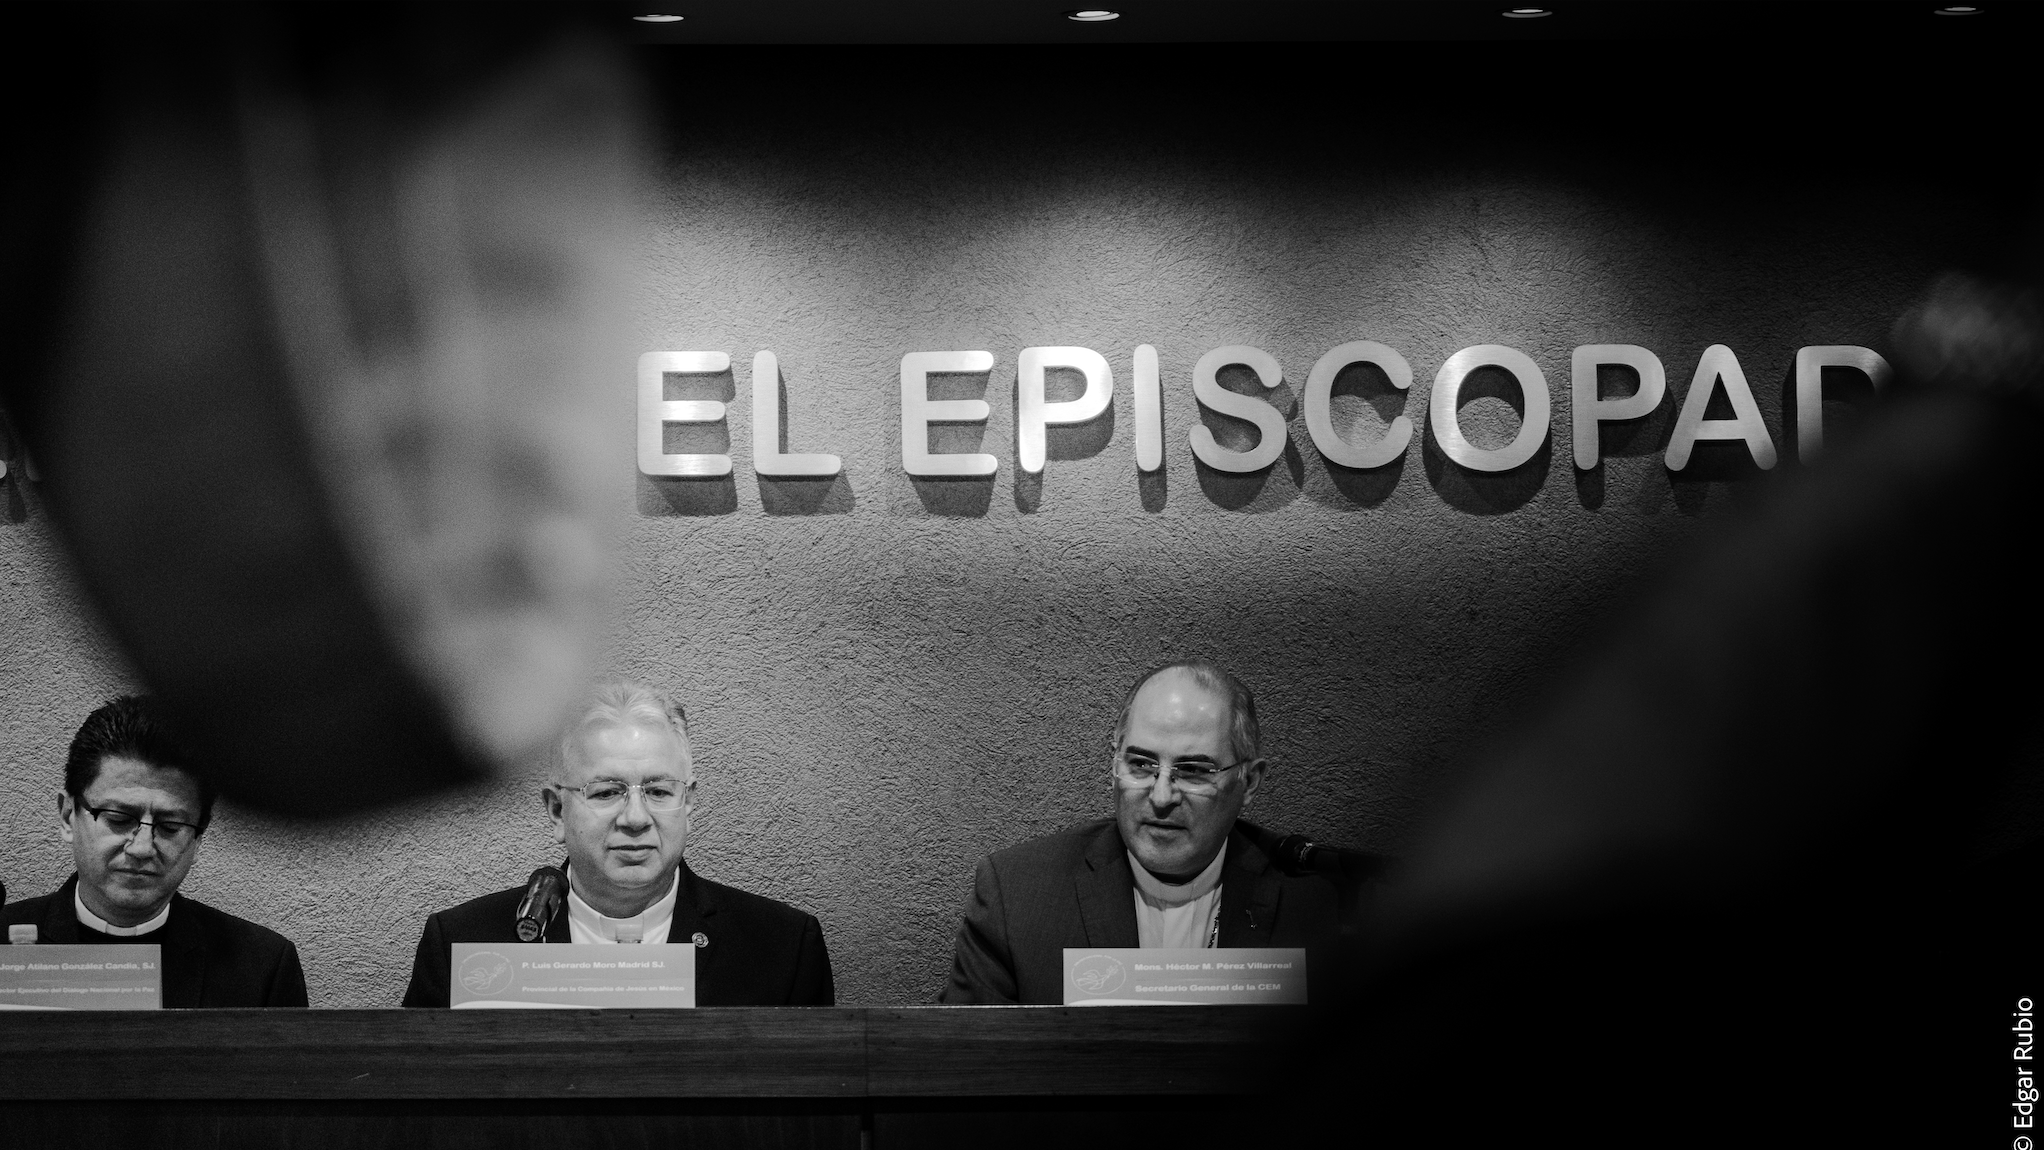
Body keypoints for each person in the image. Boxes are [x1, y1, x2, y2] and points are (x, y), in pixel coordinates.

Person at [402, 679, 835, 1007]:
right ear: (557, 810)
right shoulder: (463, 945)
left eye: (659, 791)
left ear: (688, 804)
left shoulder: (782, 948)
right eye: (607, 792)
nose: (635, 818)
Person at [941, 659, 1343, 1004]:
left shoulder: (1316, 903)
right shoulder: (1018, 896)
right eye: (1141, 765)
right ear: (1114, 763)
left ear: (1249, 782)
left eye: (1193, 771)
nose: (1162, 796)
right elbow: (968, 1060)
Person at [0, 696, 308, 1007]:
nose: (142, 848)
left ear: (198, 837)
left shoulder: (263, 967)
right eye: (119, 819)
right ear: (68, 816)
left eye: (170, 826)